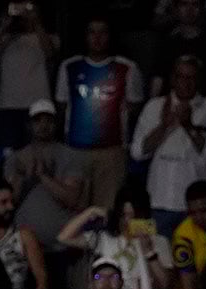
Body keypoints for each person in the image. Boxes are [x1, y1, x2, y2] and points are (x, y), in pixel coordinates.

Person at [55, 16, 144, 209]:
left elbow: (134, 106)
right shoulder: (69, 67)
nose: (97, 37)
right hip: (75, 150)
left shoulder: (127, 68)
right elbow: (62, 106)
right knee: (74, 209)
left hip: (111, 152)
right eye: (92, 32)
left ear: (110, 36)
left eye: (102, 32)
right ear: (85, 36)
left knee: (108, 208)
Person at [131, 56, 206, 238]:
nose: (186, 82)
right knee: (156, 254)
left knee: (196, 261)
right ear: (172, 79)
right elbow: (137, 153)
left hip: (196, 209)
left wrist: (189, 126)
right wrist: (164, 125)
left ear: (199, 80)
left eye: (191, 78)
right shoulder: (154, 106)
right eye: (181, 77)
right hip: (157, 202)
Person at [5, 99, 85, 253]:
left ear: (56, 123)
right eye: (37, 120)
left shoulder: (70, 156)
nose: (43, 125)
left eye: (49, 120)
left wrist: (43, 176)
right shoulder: (16, 159)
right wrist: (24, 177)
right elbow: (9, 202)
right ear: (29, 125)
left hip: (62, 245)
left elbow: (72, 199)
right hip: (22, 247)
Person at [0, 1, 59, 149]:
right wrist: (4, 26)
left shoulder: (47, 37)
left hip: (38, 105)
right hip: (8, 105)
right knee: (9, 152)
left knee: (41, 150)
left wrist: (36, 22)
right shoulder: (4, 40)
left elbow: (50, 53)